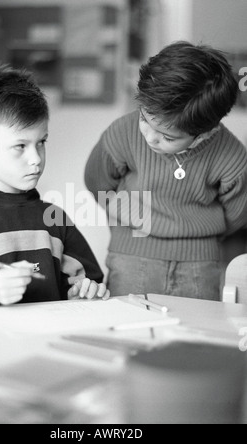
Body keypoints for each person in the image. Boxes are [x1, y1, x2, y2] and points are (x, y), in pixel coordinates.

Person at [85, 41, 247, 301]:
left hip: (200, 264)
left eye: (167, 137)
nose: (149, 137)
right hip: (132, 255)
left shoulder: (233, 156)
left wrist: (194, 232)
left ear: (204, 131)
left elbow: (237, 215)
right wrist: (126, 214)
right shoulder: (122, 132)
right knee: (128, 332)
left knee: (195, 334)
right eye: (144, 119)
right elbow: (97, 181)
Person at [0, 64, 109, 308]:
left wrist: (81, 293)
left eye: (41, 142)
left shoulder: (54, 219)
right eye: (20, 146)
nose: (36, 158)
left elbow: (90, 281)